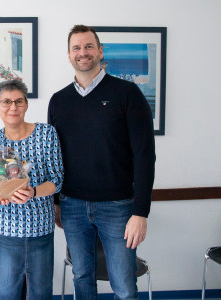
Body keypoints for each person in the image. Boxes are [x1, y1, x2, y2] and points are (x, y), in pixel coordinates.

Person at [48, 25, 156, 299]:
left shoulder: (127, 94)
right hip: (72, 207)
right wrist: (58, 203)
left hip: (118, 207)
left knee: (123, 284)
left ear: (99, 51)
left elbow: (145, 155)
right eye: (76, 48)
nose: (82, 53)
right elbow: (55, 158)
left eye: (88, 46)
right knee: (82, 277)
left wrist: (141, 212)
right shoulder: (58, 101)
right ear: (69, 55)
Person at [0, 79, 64, 300]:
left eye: (19, 101)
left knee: (38, 294)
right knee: (1, 294)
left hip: (40, 229)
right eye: (6, 102)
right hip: (5, 231)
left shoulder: (46, 134)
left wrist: (34, 192)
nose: (13, 107)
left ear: (26, 104)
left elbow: (57, 179)